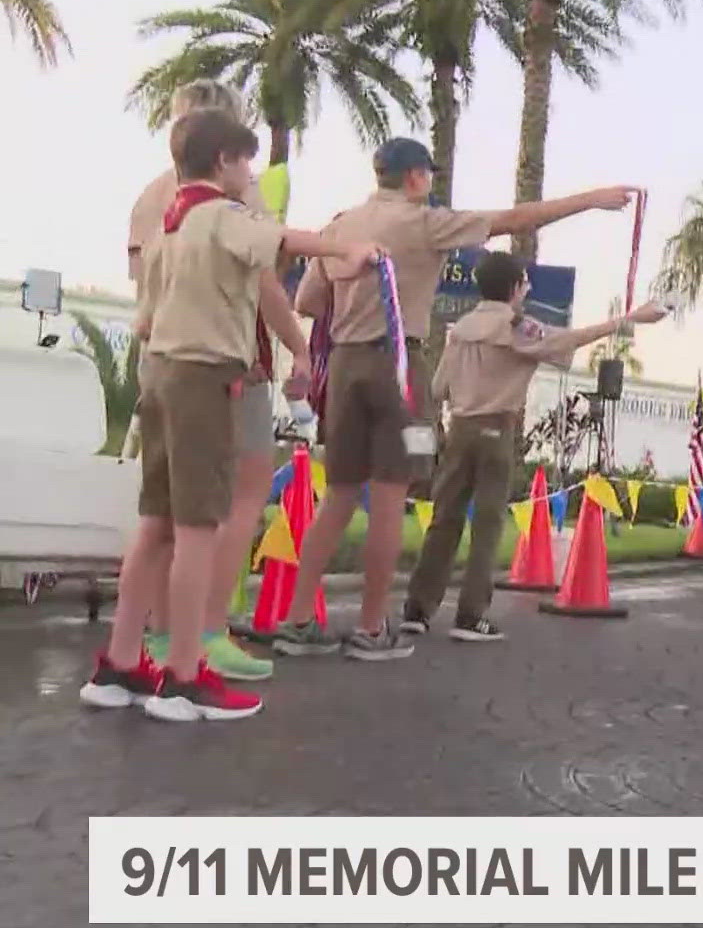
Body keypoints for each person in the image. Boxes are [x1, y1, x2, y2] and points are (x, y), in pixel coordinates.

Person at [271, 137, 640, 662]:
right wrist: (591, 198)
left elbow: (307, 300)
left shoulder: (340, 226)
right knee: (390, 500)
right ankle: (373, 627)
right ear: (415, 177)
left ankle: (299, 619)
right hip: (397, 362)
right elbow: (515, 219)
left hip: (346, 366)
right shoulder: (425, 223)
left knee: (337, 499)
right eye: (428, 174)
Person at [79, 109, 379, 721]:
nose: (251, 172)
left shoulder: (171, 223)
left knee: (157, 523)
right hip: (203, 377)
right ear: (224, 162)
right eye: (246, 160)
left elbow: (144, 318)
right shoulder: (223, 215)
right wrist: (351, 247)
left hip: (159, 373)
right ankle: (185, 676)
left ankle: (120, 664)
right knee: (197, 529)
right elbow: (281, 244)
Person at [124, 79, 310, 684]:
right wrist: (300, 348)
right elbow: (264, 282)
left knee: (162, 512)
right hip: (227, 363)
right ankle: (201, 637)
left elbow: (145, 289)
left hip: (161, 361)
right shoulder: (231, 200)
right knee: (234, 497)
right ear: (225, 147)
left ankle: (148, 638)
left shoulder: (155, 198)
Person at [399, 251, 665, 641]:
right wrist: (631, 318)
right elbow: (572, 339)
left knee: (443, 521)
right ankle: (471, 617)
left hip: (459, 430)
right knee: (487, 526)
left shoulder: (461, 330)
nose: (527, 289)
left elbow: (436, 389)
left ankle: (417, 611)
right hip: (496, 430)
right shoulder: (517, 327)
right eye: (524, 283)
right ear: (513, 288)